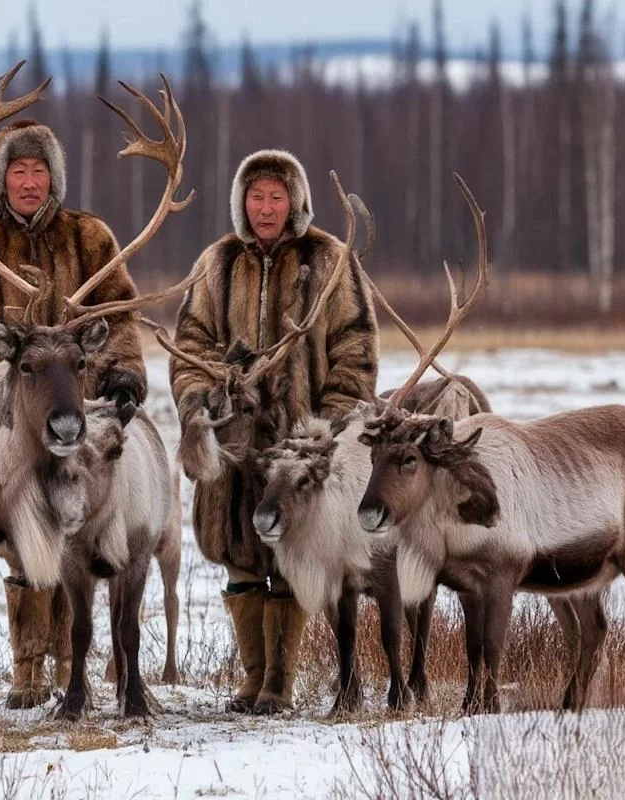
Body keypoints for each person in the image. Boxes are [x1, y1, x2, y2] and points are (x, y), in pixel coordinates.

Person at [0, 119, 147, 709]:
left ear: (55, 177)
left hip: (80, 421)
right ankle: (28, 667)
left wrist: (123, 374)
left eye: (39, 170)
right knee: (19, 540)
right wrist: (0, 378)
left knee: (77, 538)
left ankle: (71, 665)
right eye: (18, 171)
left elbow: (120, 316)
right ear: (1, 180)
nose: (29, 182)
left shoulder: (91, 239)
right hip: (11, 427)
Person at [170, 150, 379, 713]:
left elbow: (356, 348)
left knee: (293, 557)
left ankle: (279, 685)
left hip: (299, 448)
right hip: (235, 445)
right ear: (241, 202)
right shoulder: (216, 264)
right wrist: (203, 403)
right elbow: (189, 345)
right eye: (256, 197)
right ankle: (253, 678)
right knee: (240, 557)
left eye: (276, 197)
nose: (265, 209)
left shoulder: (330, 260)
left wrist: (327, 427)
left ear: (295, 202)